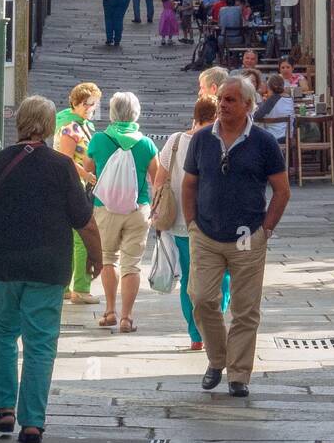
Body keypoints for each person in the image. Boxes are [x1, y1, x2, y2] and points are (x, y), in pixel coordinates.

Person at [0, 95, 100, 443]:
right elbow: (85, 222)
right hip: (48, 268)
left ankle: (4, 409)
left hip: (3, 265)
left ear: (19, 123)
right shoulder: (61, 167)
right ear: (49, 127)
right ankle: (32, 422)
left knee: (2, 333)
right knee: (40, 343)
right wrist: (96, 257)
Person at [183, 78, 290, 397]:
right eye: (220, 99)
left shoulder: (263, 142)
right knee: (201, 299)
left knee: (244, 309)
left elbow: (282, 191)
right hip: (206, 233)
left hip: (247, 236)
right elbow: (189, 184)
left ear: (247, 105)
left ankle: (239, 374)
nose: (223, 105)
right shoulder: (201, 139)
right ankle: (217, 359)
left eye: (230, 99)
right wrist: (191, 224)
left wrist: (265, 230)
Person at [154, 97, 230, 352]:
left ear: (194, 116)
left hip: (181, 224)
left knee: (190, 279)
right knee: (223, 276)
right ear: (217, 115)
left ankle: (196, 334)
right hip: (216, 223)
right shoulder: (219, 141)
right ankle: (214, 325)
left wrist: (157, 213)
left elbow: (159, 181)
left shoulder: (174, 142)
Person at [86, 92, 160, 333]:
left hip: (104, 208)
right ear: (135, 113)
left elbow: (90, 173)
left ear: (112, 112)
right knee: (132, 264)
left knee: (108, 258)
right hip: (138, 208)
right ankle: (127, 317)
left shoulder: (98, 140)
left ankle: (109, 311)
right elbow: (157, 178)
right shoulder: (146, 143)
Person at [53, 81, 103, 305]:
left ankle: (66, 287)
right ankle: (80, 289)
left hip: (75, 188)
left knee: (71, 238)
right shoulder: (71, 127)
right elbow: (65, 159)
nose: (91, 107)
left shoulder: (79, 124)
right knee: (81, 238)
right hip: (72, 189)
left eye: (93, 103)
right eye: (88, 103)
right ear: (76, 103)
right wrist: (87, 175)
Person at [256, 73, 294, 144]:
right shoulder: (289, 98)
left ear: (269, 88)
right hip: (287, 136)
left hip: (273, 137)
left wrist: (262, 105)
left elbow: (256, 116)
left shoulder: (271, 100)